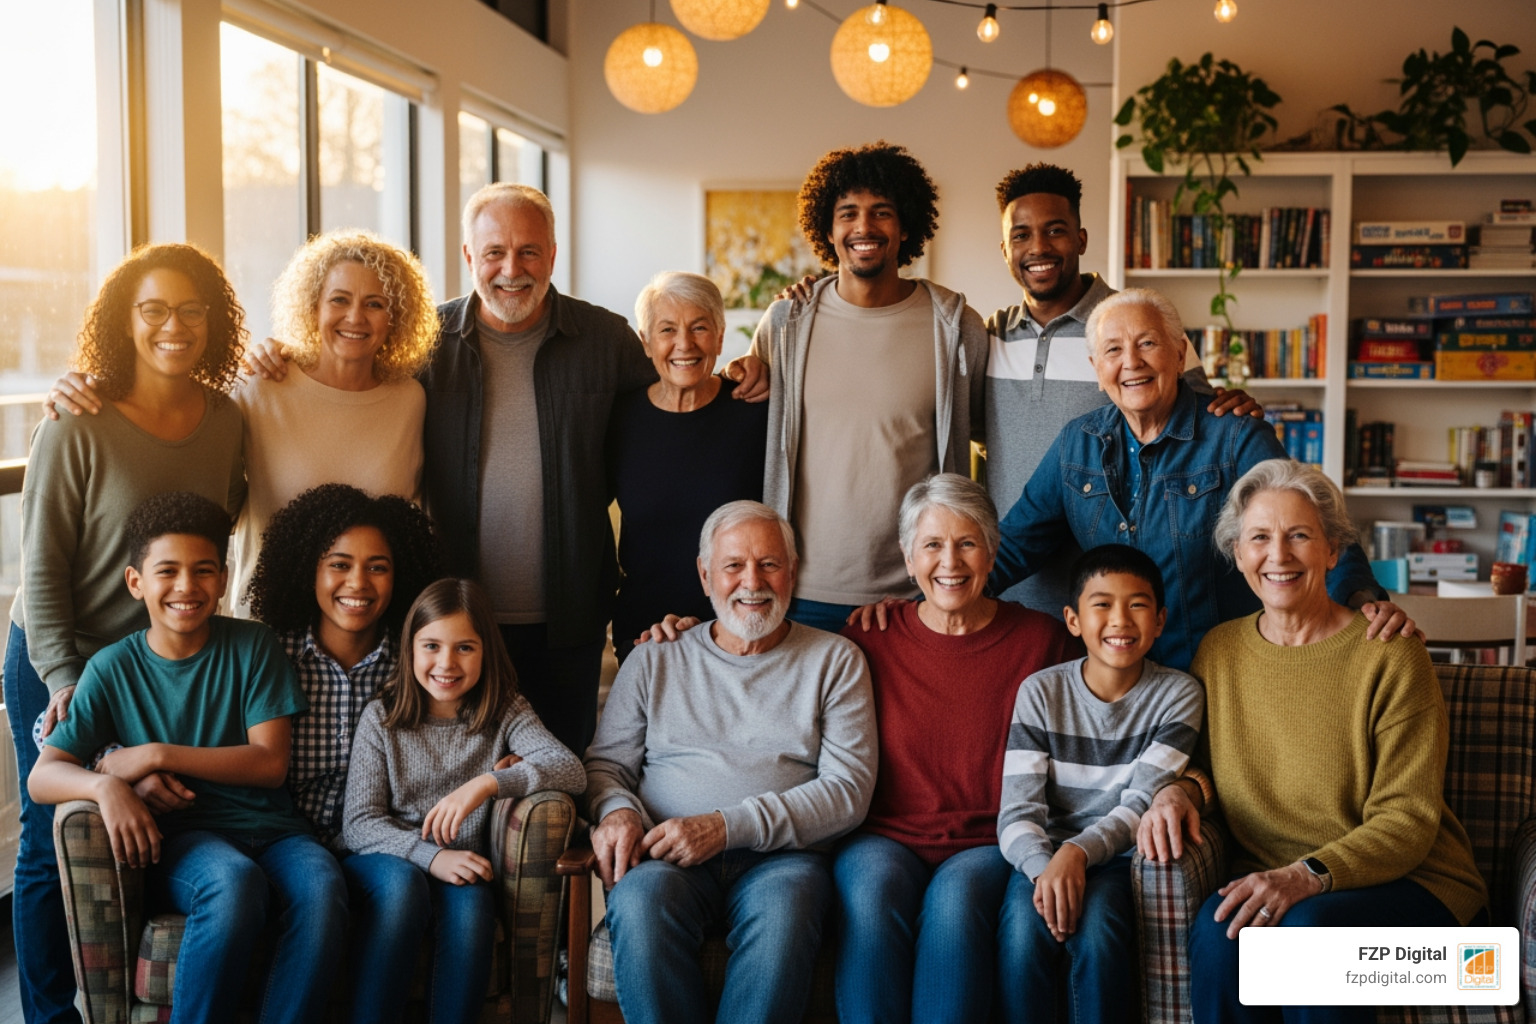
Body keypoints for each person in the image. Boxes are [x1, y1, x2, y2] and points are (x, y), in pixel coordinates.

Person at [1137, 459, 1487, 1024]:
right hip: (1279, 882)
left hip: (1418, 890)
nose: (1278, 555)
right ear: (1238, 554)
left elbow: (1407, 821)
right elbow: (1202, 770)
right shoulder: (1218, 653)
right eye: (1259, 538)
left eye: (1299, 535)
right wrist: (1177, 792)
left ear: (1332, 550)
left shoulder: (1391, 653)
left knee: (1307, 936)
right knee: (1221, 935)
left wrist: (1305, 876)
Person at [9, 242, 246, 1024]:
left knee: (147, 809)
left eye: (190, 309)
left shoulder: (227, 420)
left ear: (213, 320)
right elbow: (42, 568)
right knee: (51, 840)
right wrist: (64, 681)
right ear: (124, 320)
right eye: (153, 309)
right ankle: (51, 1016)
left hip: (154, 662)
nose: (173, 325)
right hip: (62, 655)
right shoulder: (76, 423)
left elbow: (221, 525)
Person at [27, 492, 347, 1024]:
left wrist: (155, 754)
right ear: (136, 582)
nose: (186, 587)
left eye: (202, 571)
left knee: (323, 887)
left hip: (276, 833)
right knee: (233, 883)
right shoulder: (111, 668)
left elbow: (270, 764)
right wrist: (106, 785)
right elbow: (43, 777)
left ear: (222, 579)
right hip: (187, 840)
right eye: (167, 571)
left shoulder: (253, 646)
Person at [986, 287, 1410, 671]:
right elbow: (1016, 544)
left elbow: (1312, 525)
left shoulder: (1235, 436)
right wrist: (951, 596)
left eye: (1147, 343)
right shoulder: (1075, 445)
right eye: (1113, 350)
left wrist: (1363, 601)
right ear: (1097, 369)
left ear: (1179, 354)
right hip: (1119, 683)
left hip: (1217, 678)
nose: (1131, 362)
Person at [39, 230, 440, 620]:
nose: (355, 316)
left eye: (375, 304)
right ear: (312, 307)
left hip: (373, 624)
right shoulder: (261, 388)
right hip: (269, 624)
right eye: (339, 299)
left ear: (396, 316)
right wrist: (82, 385)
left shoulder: (410, 400)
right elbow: (189, 466)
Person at [583, 500, 877, 1024]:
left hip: (784, 860)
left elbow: (847, 792)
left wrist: (724, 827)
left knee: (788, 911)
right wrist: (617, 811)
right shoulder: (654, 656)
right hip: (667, 856)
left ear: (793, 571)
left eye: (769, 564)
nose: (752, 582)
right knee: (639, 901)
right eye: (733, 565)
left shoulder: (836, 660)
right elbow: (605, 768)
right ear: (705, 575)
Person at [833, 474, 1077, 1024]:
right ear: (908, 557)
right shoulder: (867, 639)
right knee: (870, 895)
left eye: (967, 543)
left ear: (992, 552)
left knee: (955, 904)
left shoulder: (1044, 641)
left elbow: (1109, 708)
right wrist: (684, 634)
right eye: (932, 545)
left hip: (989, 840)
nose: (950, 562)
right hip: (885, 836)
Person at [982, 163, 1257, 615]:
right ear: (1004, 249)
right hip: (1010, 586)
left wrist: (1234, 407)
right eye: (1021, 235)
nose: (1038, 247)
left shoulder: (1133, 323)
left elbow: (1201, 424)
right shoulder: (989, 337)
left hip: (1122, 601)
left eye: (1055, 231)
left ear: (1081, 239)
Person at [744, 141, 988, 633]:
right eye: (848, 213)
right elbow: (748, 417)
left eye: (882, 212)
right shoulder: (786, 323)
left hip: (915, 593)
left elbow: (990, 436)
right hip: (800, 589)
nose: (864, 227)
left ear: (906, 226)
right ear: (827, 229)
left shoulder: (956, 328)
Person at [343, 578, 585, 1024]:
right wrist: (431, 857)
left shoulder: (505, 709)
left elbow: (570, 769)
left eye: (465, 648)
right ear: (410, 650)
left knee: (474, 917)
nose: (446, 663)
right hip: (390, 860)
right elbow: (359, 824)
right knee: (402, 891)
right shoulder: (382, 716)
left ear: (486, 651)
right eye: (431, 646)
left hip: (464, 867)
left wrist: (488, 784)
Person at [996, 543, 1203, 1024]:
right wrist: (1047, 869)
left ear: (1160, 620)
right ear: (1073, 620)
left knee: (1100, 932)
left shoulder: (1178, 694)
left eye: (1137, 605)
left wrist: (1078, 854)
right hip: (1041, 856)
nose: (1120, 620)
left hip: (1117, 860)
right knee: (1021, 935)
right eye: (1102, 604)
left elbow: (1140, 803)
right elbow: (1018, 811)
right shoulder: (1041, 692)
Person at [245, 483, 442, 849]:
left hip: (381, 843)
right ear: (309, 570)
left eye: (377, 567)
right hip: (284, 844)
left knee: (401, 881)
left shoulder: (422, 663)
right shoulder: (267, 656)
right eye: (339, 564)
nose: (358, 583)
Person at [608, 271, 768, 660]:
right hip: (645, 634)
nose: (685, 344)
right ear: (646, 342)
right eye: (667, 330)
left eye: (699, 327)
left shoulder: (754, 410)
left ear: (720, 336)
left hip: (739, 631)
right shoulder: (618, 417)